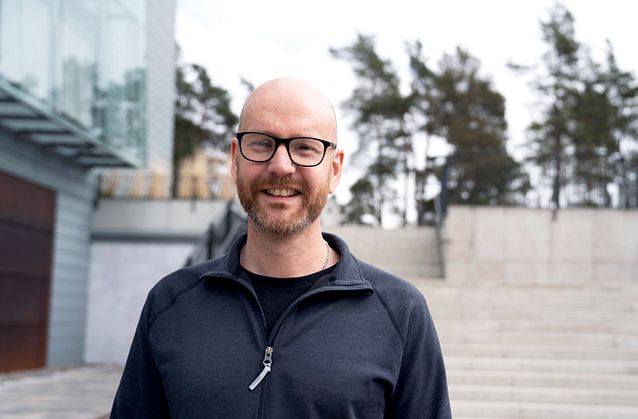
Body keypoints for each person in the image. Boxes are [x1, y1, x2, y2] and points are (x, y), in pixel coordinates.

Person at [110, 77, 451, 418]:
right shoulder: (170, 303)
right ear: (235, 158)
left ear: (334, 170)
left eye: (304, 147)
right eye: (261, 144)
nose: (281, 166)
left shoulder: (400, 312)